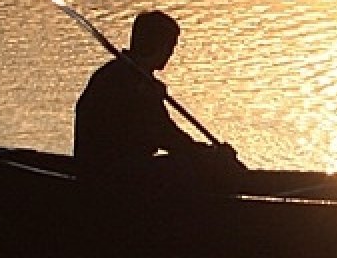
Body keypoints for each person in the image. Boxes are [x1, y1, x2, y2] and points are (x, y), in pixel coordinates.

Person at [73, 10, 242, 191]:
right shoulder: (131, 85)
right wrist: (209, 155)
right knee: (192, 168)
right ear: (157, 45)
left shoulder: (132, 79)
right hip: (113, 174)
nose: (171, 54)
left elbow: (166, 133)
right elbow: (167, 137)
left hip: (112, 168)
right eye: (170, 47)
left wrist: (206, 152)